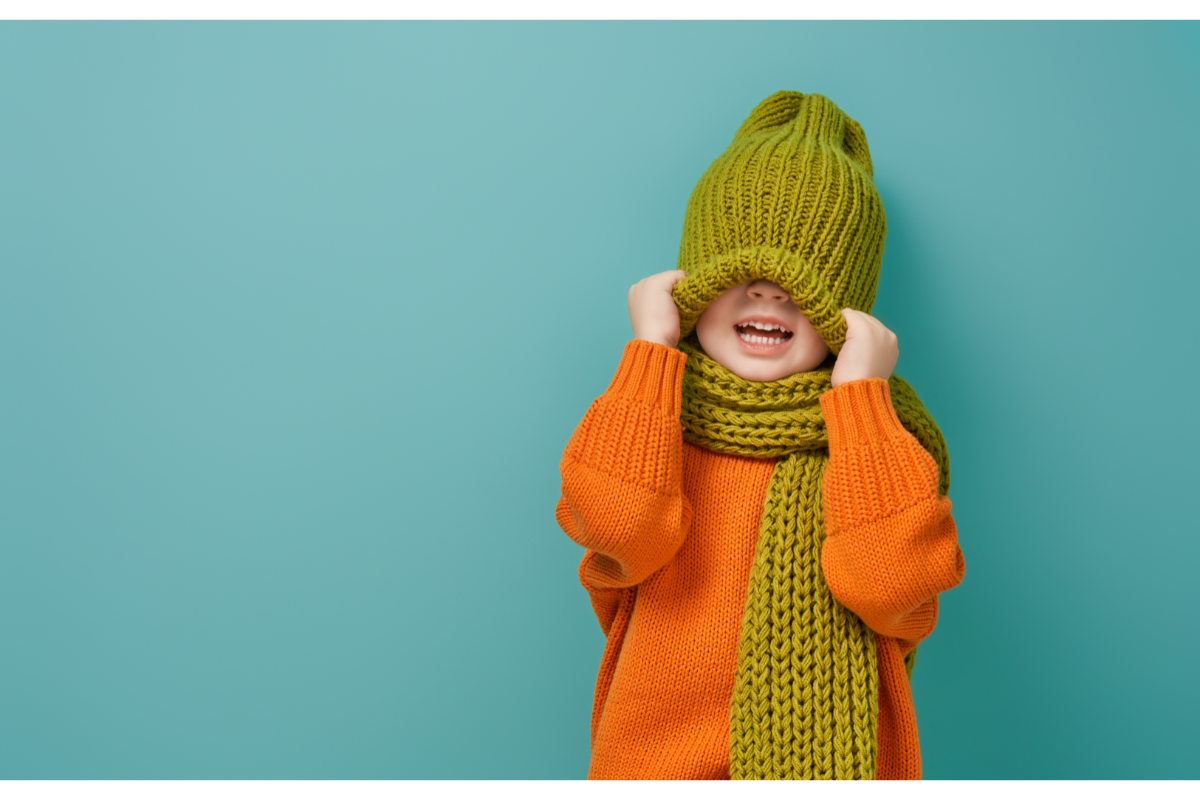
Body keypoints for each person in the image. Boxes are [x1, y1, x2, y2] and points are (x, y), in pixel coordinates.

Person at [554, 91, 965, 780]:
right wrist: (652, 349)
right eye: (739, 271)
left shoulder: (882, 437)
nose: (770, 294)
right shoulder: (651, 413)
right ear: (691, 283)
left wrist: (861, 402)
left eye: (802, 280)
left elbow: (895, 590)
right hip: (651, 761)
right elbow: (621, 528)